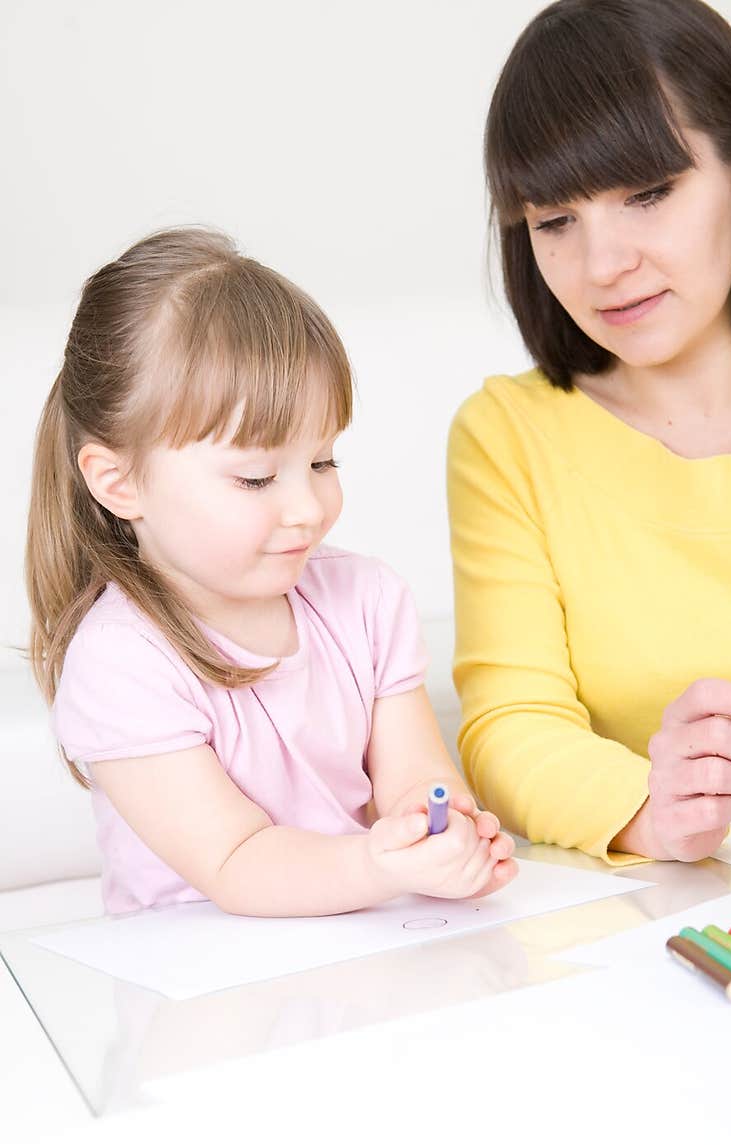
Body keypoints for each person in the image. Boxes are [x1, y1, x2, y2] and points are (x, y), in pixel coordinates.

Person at [447, 0, 731, 909]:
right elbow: (510, 721)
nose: (602, 263)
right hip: (652, 919)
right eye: (553, 219)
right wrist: (648, 807)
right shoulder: (506, 438)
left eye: (648, 193)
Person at [26, 228, 516, 916]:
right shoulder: (119, 662)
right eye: (256, 478)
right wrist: (379, 862)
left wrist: (440, 835)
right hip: (198, 987)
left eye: (322, 462)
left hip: (354, 955)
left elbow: (414, 780)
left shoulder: (366, 601)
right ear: (118, 482)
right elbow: (236, 863)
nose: (307, 508)